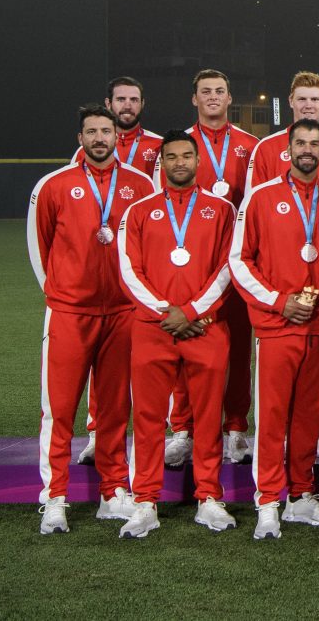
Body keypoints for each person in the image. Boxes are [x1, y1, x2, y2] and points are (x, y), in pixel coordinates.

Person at [28, 104, 156, 534]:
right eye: (92, 131)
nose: (100, 138)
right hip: (69, 313)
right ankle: (55, 497)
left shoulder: (139, 184)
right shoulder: (54, 185)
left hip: (122, 313)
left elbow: (146, 248)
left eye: (106, 131)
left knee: (116, 409)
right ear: (79, 136)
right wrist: (63, 293)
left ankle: (112, 492)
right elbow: (41, 246)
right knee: (59, 409)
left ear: (116, 135)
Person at [116, 130, 237, 538]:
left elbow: (227, 266)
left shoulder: (222, 210)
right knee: (148, 419)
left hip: (205, 328)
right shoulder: (139, 211)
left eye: (187, 156)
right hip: (154, 330)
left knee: (207, 419)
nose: (180, 163)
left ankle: (208, 498)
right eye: (172, 157)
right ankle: (145, 500)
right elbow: (129, 269)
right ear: (161, 163)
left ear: (198, 161)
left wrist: (192, 311)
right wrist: (165, 312)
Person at [229, 119, 319, 539]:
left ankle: (302, 496)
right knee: (273, 418)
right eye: (300, 143)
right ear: (288, 149)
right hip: (278, 327)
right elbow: (239, 260)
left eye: (314, 143)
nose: (307, 150)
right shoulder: (260, 197)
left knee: (310, 418)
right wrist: (279, 302)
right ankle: (268, 501)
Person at [155, 70, 259, 467]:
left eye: (219, 91)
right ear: (194, 99)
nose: (213, 97)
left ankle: (235, 428)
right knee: (183, 346)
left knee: (238, 352)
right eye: (205, 92)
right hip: (190, 266)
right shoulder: (178, 145)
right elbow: (159, 205)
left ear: (230, 98)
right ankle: (183, 429)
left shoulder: (250, 146)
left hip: (235, 265)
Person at [246, 71, 319, 191]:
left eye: (315, 99)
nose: (308, 105)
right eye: (302, 99)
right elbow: (254, 199)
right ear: (290, 101)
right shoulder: (267, 147)